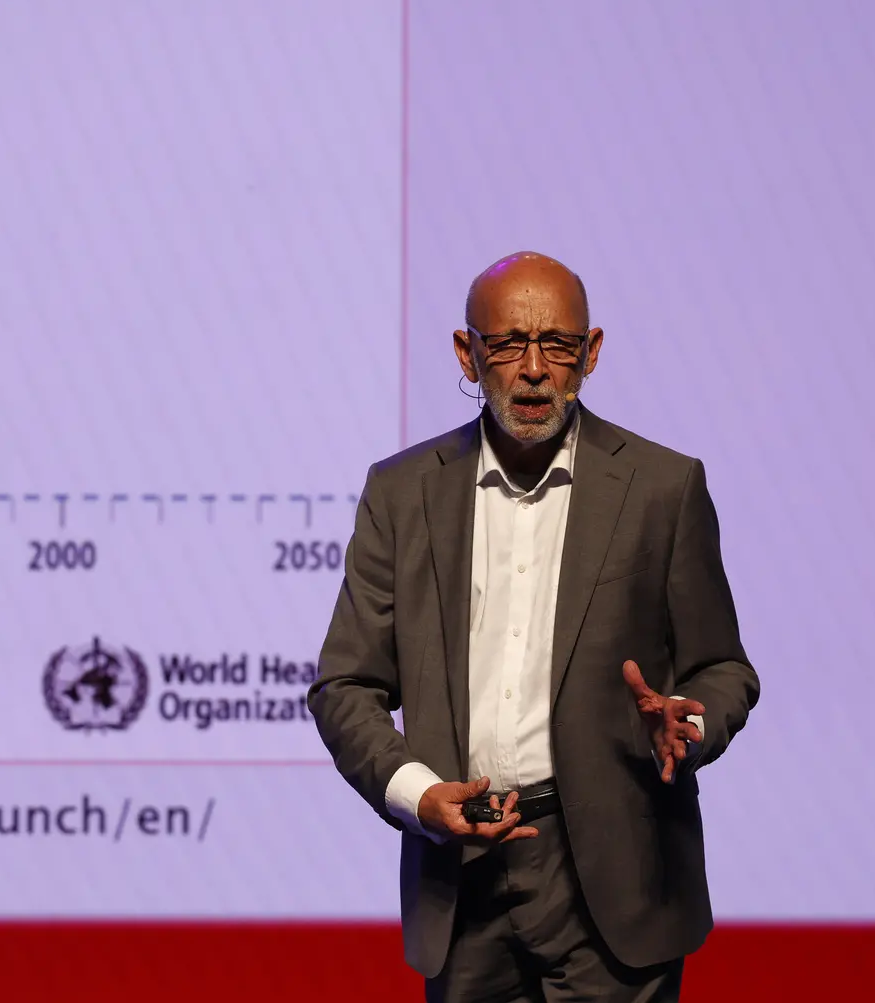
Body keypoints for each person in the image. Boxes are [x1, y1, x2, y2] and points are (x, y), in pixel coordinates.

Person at [309, 252, 759, 1001]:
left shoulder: (661, 487)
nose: (533, 369)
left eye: (557, 345)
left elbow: (724, 669)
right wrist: (419, 795)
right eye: (509, 344)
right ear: (468, 353)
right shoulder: (402, 492)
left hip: (617, 876)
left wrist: (690, 723)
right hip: (462, 871)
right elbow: (344, 684)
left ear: (591, 353)